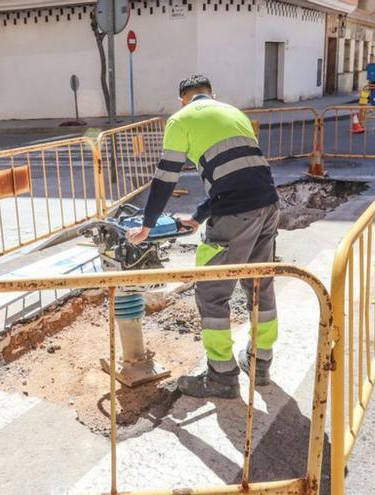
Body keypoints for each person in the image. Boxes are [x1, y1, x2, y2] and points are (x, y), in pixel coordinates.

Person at [127, 75, 280, 399]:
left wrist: (148, 224)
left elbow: (165, 178)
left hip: (235, 214)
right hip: (268, 204)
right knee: (259, 284)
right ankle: (260, 362)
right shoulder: (233, 113)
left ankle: (222, 376)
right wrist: (198, 217)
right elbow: (239, 175)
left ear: (182, 100)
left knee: (212, 293)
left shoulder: (180, 120)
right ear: (212, 95)